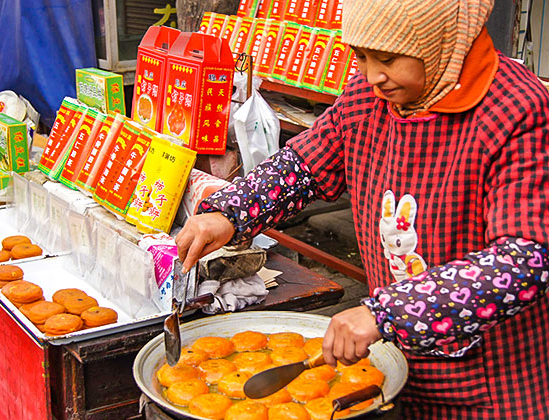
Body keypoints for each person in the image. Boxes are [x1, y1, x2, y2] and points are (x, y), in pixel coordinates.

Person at [175, 0, 549, 417]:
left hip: (489, 384)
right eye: (361, 56)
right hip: (387, 358)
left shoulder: (517, 109)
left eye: (388, 58)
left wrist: (385, 312)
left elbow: (526, 258)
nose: (372, 76)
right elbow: (304, 165)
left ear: (442, 41)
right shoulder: (368, 97)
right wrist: (231, 212)